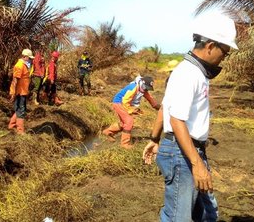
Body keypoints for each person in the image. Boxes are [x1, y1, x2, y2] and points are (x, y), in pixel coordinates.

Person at [142, 12, 238, 221]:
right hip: (182, 153)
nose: (224, 58)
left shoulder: (196, 73)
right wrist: (196, 163)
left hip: (187, 150)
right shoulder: (188, 74)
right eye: (225, 52)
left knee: (205, 213)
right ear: (211, 46)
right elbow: (176, 119)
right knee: (179, 217)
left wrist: (154, 139)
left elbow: (166, 106)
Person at [101, 75, 160, 149]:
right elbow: (125, 101)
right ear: (142, 83)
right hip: (119, 102)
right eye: (146, 87)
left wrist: (159, 108)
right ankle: (125, 144)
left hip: (125, 104)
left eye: (148, 88)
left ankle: (107, 132)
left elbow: (151, 100)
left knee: (124, 124)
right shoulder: (133, 87)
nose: (146, 90)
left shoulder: (143, 89)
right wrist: (131, 110)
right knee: (129, 121)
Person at [8, 48, 34, 134]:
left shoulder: (24, 65)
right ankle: (20, 130)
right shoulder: (19, 65)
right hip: (19, 92)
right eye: (29, 58)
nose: (30, 60)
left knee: (20, 109)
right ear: (25, 57)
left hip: (23, 91)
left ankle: (11, 126)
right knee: (21, 110)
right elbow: (15, 80)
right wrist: (13, 94)